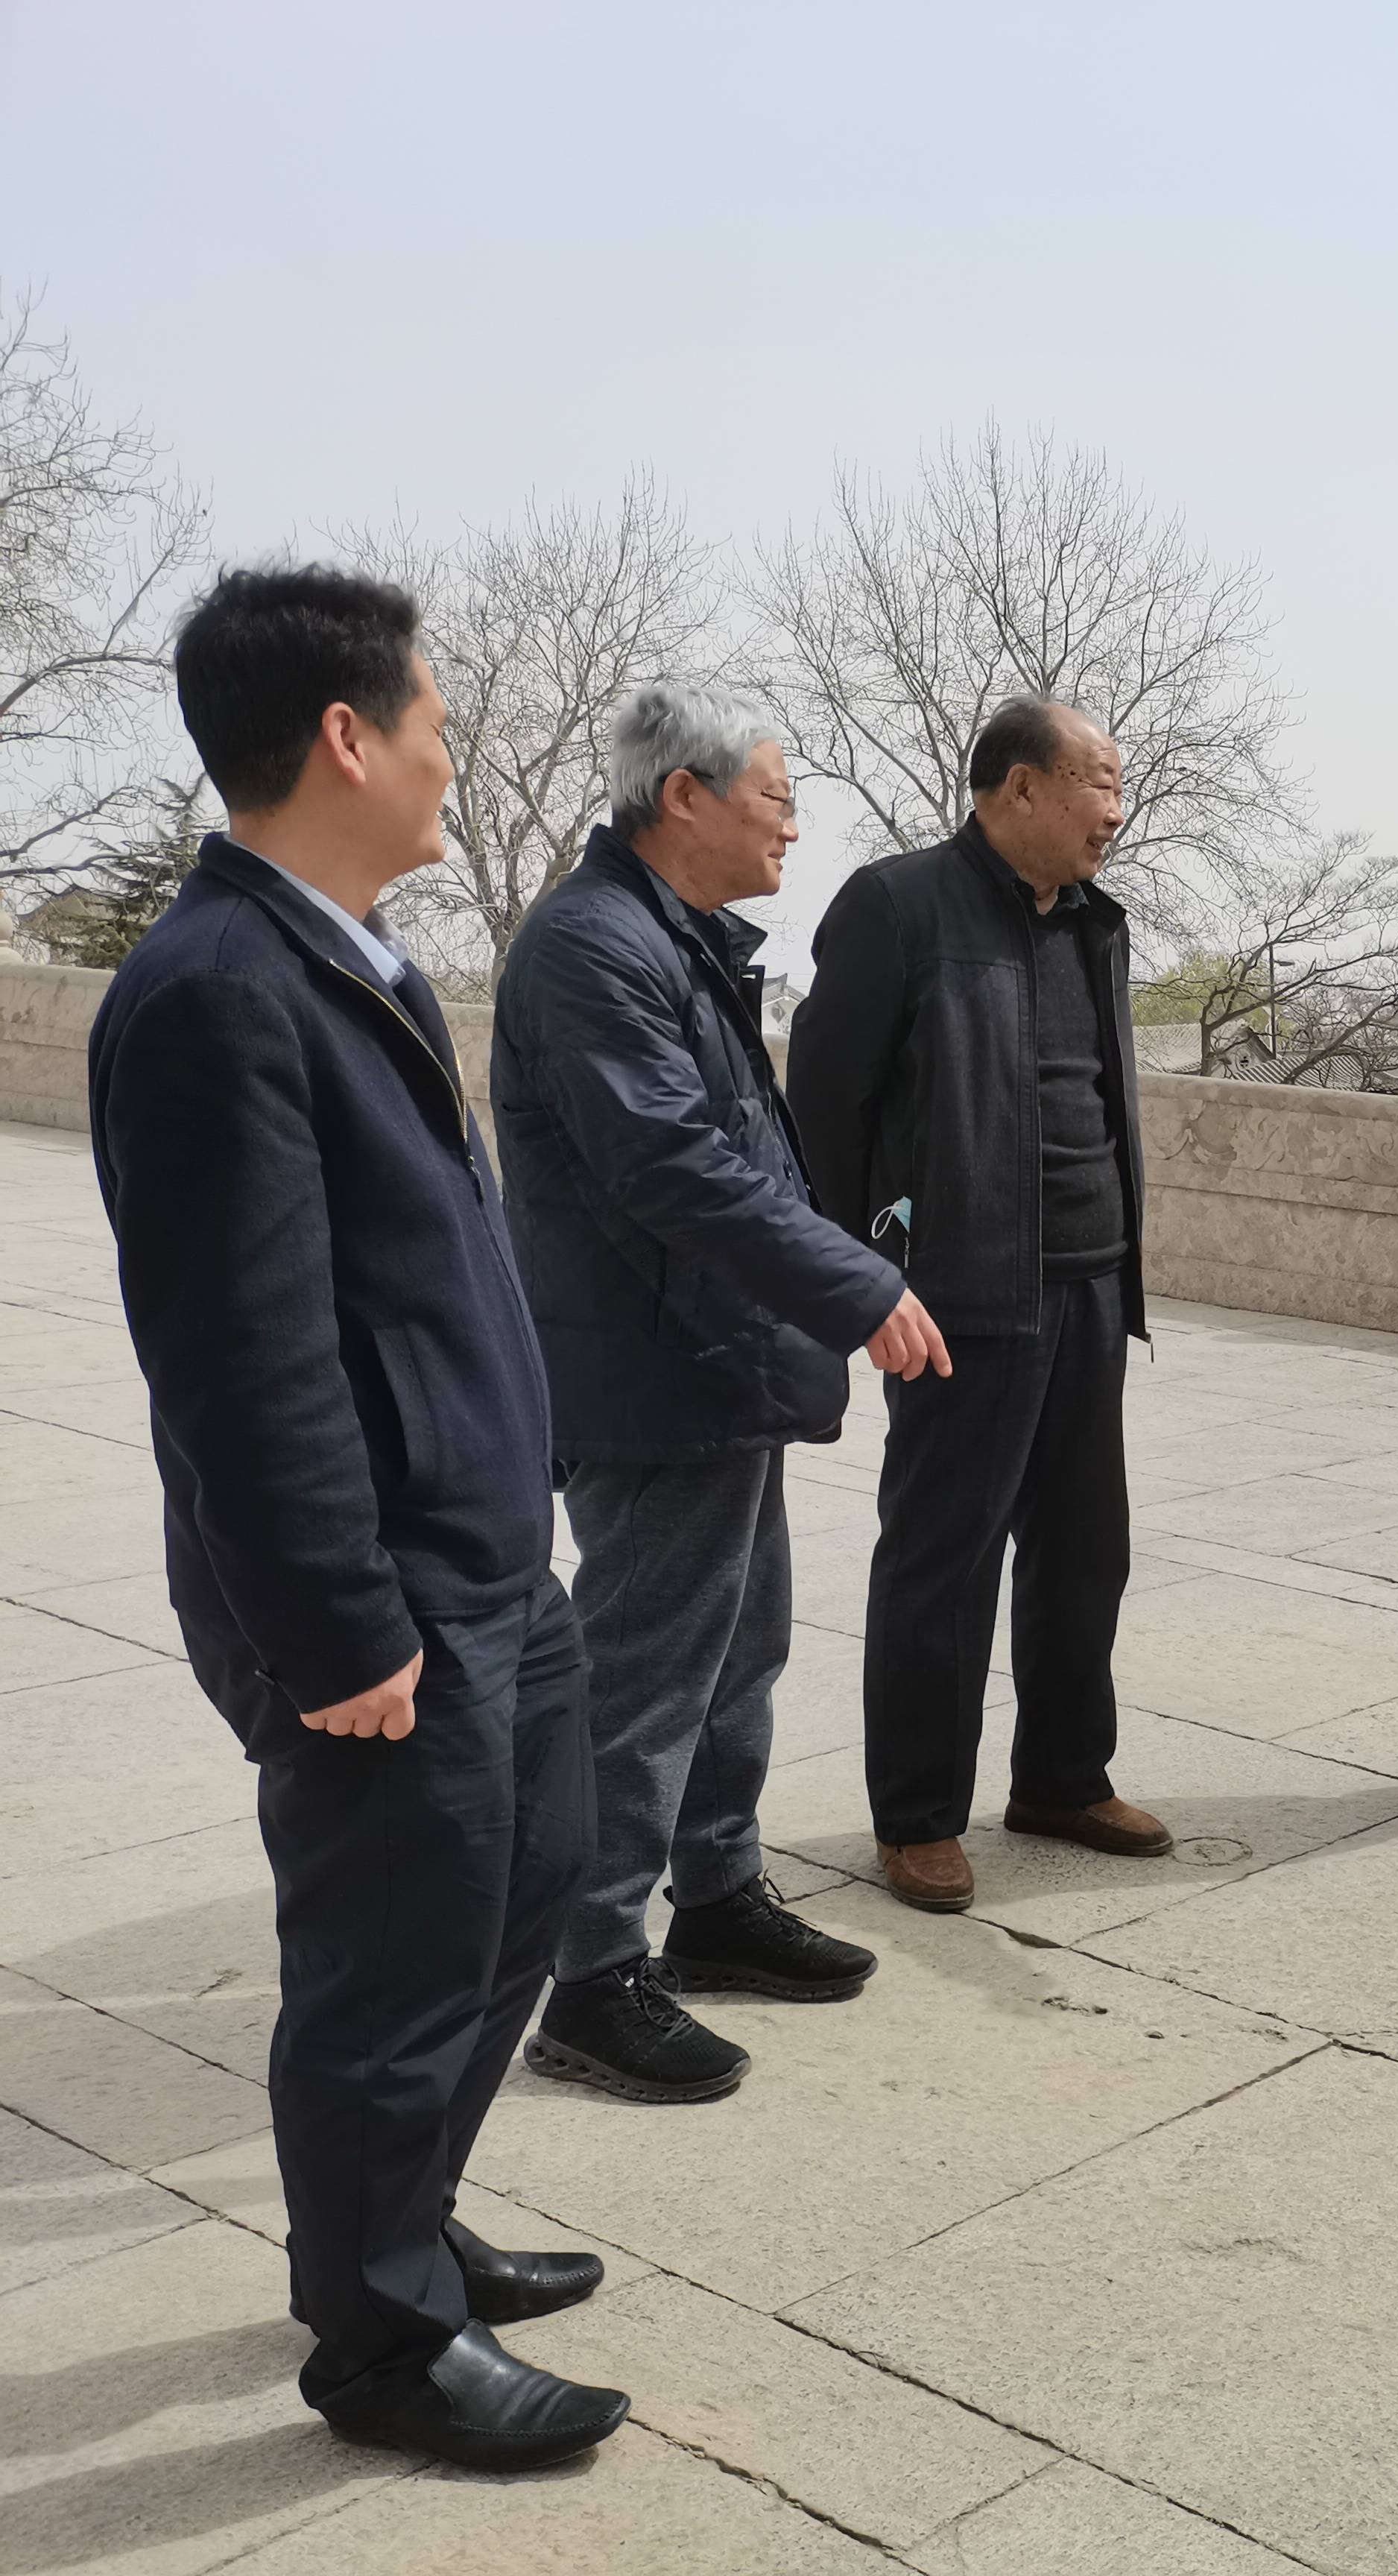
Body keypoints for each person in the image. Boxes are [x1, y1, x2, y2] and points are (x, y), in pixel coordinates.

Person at [86, 566, 627, 2467]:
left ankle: (410, 2226)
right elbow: (241, 1363)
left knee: (517, 1906)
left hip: (489, 1559)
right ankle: (383, 2346)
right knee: (389, 1974)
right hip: (380, 1599)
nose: (450, 759)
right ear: (345, 736)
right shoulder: (214, 993)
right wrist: (334, 1627)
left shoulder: (351, 957)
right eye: (435, 724)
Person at [493, 684, 949, 2103]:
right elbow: (671, 1164)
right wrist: (855, 1284)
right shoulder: (590, 947)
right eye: (776, 798)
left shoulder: (674, 939)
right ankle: (590, 1976)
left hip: (720, 1356)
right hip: (653, 1369)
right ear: (682, 797)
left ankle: (715, 1894)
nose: (792, 827)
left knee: (737, 1649)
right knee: (643, 1677)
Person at [788, 696, 1168, 1915]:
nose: (1116, 811)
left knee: (1084, 1550)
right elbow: (826, 1109)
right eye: (1098, 783)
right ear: (1018, 788)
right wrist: (873, 1267)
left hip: (1091, 1280)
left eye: (1119, 787)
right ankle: (916, 1817)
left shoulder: (1097, 923)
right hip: (959, 1295)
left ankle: (1062, 1777)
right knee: (941, 1559)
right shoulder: (900, 906)